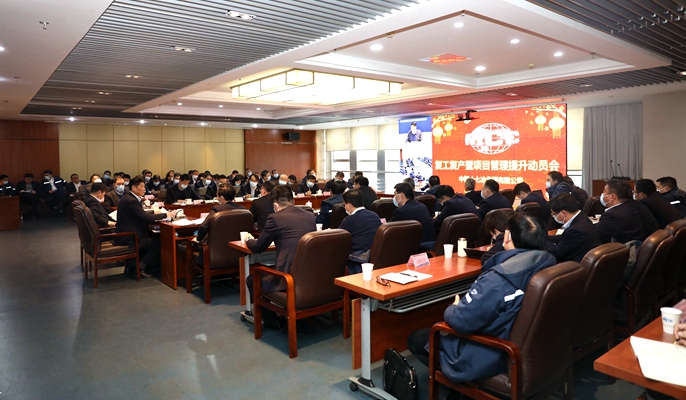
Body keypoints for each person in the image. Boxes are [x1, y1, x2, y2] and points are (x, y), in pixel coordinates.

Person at [407, 213, 556, 383]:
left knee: (417, 338)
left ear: (507, 236)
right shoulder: (550, 263)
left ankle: (458, 386)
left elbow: (462, 322)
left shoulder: (498, 278)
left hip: (491, 353)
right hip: (531, 348)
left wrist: (453, 307)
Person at [245, 185, 316, 328]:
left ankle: (272, 322)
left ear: (275, 205)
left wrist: (248, 239)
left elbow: (259, 247)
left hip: (288, 275)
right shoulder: (309, 215)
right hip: (309, 273)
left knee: (252, 279)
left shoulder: (275, 218)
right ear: (293, 200)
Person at [115, 175, 175, 277]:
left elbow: (139, 213)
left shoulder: (129, 198)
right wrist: (166, 215)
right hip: (130, 237)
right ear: (134, 188)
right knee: (157, 243)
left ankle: (135, 266)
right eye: (142, 187)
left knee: (153, 239)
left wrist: (154, 212)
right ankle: (141, 267)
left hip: (128, 233)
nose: (144, 189)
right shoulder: (132, 201)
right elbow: (145, 217)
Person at [595, 179, 659, 244]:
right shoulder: (637, 205)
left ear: (612, 197)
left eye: (604, 191)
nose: (602, 194)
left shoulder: (613, 215)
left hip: (628, 248)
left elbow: (595, 237)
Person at [547, 194, 602, 263]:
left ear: (563, 213)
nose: (553, 217)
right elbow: (564, 237)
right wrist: (545, 238)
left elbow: (556, 253)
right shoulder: (582, 217)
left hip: (576, 264)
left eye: (554, 214)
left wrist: (541, 242)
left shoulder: (575, 230)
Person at [339, 189, 382, 274]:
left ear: (349, 205)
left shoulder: (349, 220)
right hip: (374, 255)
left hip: (357, 258)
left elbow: (338, 237)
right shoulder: (374, 215)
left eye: (344, 205)